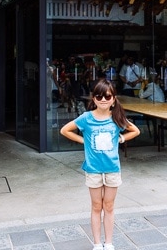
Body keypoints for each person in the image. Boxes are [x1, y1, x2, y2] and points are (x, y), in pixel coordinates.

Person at [60, 79, 140, 250]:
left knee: (109, 206)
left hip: (112, 169)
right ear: (94, 99)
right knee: (96, 206)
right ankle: (97, 243)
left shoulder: (117, 118)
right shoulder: (87, 118)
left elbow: (135, 130)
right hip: (93, 169)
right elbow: (65, 130)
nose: (103, 99)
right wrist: (83, 141)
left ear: (113, 99)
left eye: (107, 96)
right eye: (99, 96)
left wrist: (122, 138)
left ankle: (109, 242)